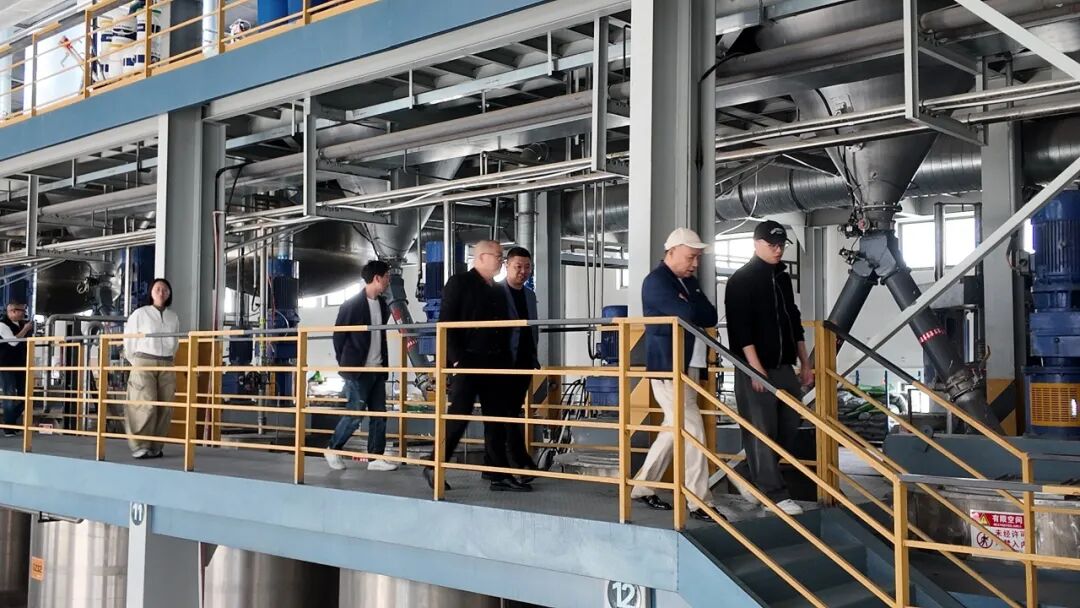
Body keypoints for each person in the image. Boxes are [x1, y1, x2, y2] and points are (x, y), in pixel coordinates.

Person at [423, 240, 530, 492]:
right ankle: (434, 464)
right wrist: (457, 360)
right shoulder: (459, 283)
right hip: (469, 361)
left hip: (496, 363)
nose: (501, 260)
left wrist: (507, 362)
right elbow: (446, 324)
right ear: (481, 257)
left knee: (496, 418)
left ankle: (498, 474)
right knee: (459, 415)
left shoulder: (497, 290)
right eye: (497, 256)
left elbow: (504, 328)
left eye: (501, 256)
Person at [725, 220, 812, 516]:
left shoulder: (782, 279)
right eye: (772, 245)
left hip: (784, 365)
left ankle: (746, 474)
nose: (778, 250)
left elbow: (793, 321)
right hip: (754, 367)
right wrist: (755, 369)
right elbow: (741, 330)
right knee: (761, 430)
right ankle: (774, 495)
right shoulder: (741, 280)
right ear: (756, 244)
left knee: (789, 424)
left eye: (782, 245)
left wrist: (805, 362)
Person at [631, 228, 718, 522]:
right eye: (690, 257)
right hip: (668, 368)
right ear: (672, 252)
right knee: (693, 432)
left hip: (688, 366)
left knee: (672, 429)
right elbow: (687, 314)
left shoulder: (687, 281)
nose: (695, 264)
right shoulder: (656, 281)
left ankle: (643, 487)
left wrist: (687, 301)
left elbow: (709, 315)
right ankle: (699, 501)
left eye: (697, 258)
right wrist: (688, 303)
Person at [325, 260, 398, 472]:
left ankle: (375, 458)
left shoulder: (383, 305)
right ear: (377, 278)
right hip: (358, 371)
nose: (388, 280)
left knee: (379, 415)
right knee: (355, 414)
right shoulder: (351, 305)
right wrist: (346, 364)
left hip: (377, 368)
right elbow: (339, 338)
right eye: (387, 276)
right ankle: (333, 448)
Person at [493, 247, 540, 479]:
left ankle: (492, 465)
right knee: (508, 413)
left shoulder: (530, 296)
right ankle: (521, 462)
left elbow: (533, 329)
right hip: (501, 364)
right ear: (507, 266)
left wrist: (533, 357)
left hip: (524, 362)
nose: (523, 271)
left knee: (511, 411)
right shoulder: (495, 293)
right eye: (518, 266)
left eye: (527, 267)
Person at [123, 278, 180, 459]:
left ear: (169, 294)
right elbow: (129, 339)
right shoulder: (140, 314)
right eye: (158, 289)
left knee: (165, 405)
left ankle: (156, 445)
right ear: (151, 292)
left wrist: (170, 359)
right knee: (144, 402)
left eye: (165, 290)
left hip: (167, 363)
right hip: (144, 361)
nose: (161, 292)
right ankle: (140, 445)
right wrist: (136, 362)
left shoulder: (173, 317)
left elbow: (175, 342)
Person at [0, 299, 32, 436]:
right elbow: (13, 342)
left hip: (21, 365)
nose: (24, 313)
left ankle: (10, 422)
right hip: (5, 366)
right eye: (22, 311)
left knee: (26, 395)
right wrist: (25, 330)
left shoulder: (22, 324)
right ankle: (8, 428)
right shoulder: (2, 325)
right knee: (9, 395)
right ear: (12, 311)